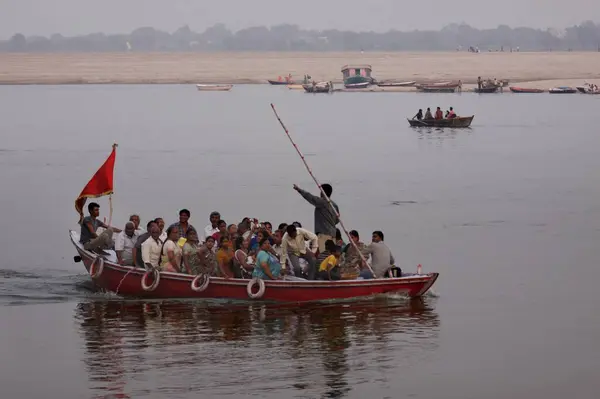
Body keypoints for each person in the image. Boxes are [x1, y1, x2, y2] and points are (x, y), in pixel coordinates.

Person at [293, 183, 339, 253]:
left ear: (322, 192)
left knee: (324, 255)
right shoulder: (334, 205)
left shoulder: (322, 202)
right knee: (331, 255)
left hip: (324, 235)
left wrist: (299, 190)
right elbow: (337, 220)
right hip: (332, 235)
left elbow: (310, 197)